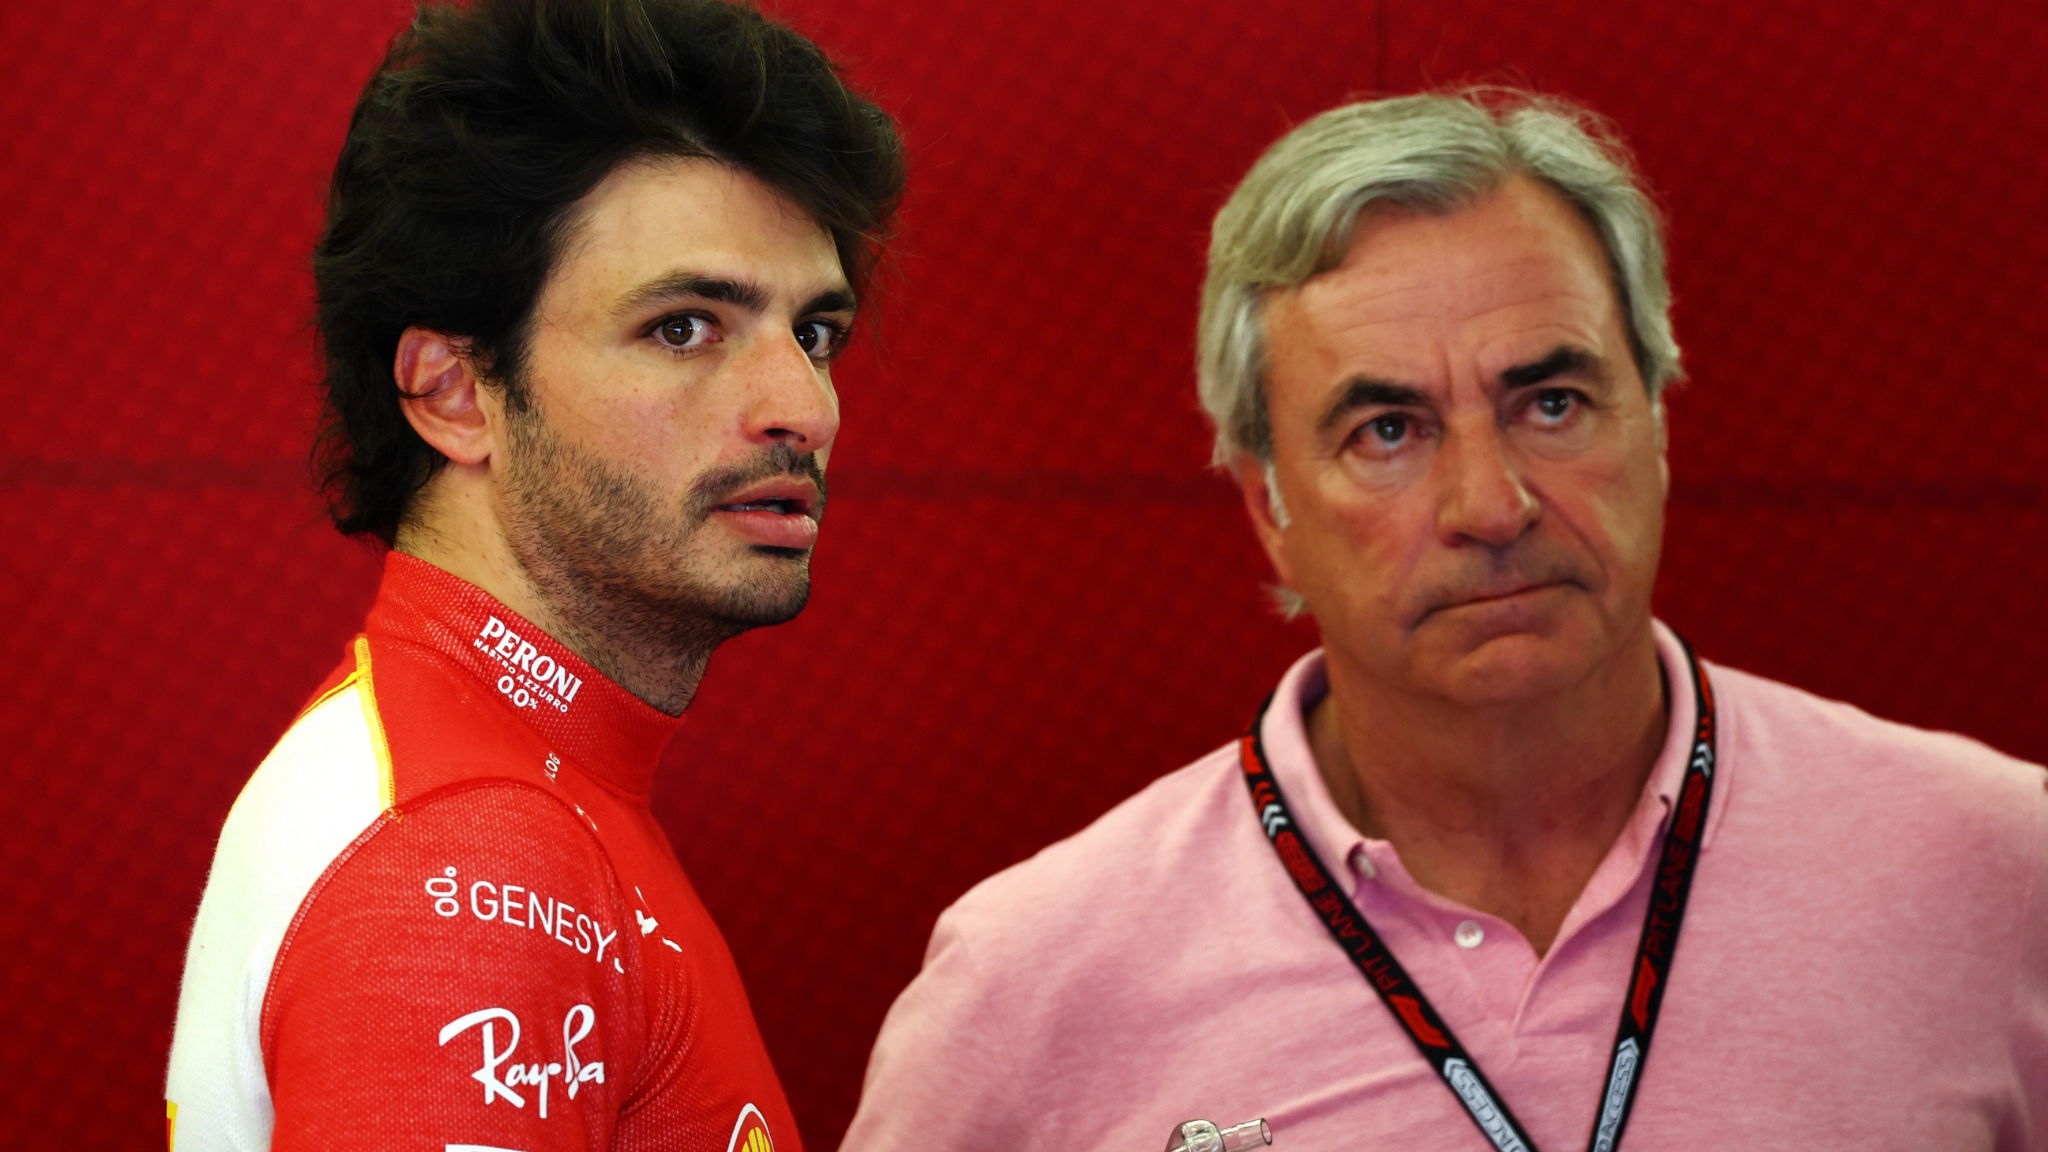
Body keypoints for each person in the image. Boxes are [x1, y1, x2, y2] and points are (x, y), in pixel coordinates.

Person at [842, 89, 2046, 1151]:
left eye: (1552, 401)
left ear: (1658, 427)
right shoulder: (1032, 978)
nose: (1490, 505)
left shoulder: (1999, 869)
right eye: (1387, 432)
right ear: (1268, 507)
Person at [164, 1, 902, 1148]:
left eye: (813, 333)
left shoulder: (497, 789)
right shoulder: (473, 855)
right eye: (683, 327)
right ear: (454, 393)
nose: (802, 408)